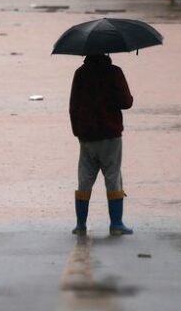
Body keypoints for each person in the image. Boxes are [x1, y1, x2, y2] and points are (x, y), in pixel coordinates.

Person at [69, 53, 134, 235]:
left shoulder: (80, 74)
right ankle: (116, 224)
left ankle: (80, 225)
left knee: (85, 178)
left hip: (87, 136)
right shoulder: (114, 72)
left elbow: (73, 105)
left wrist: (78, 131)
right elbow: (126, 102)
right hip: (110, 135)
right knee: (113, 177)